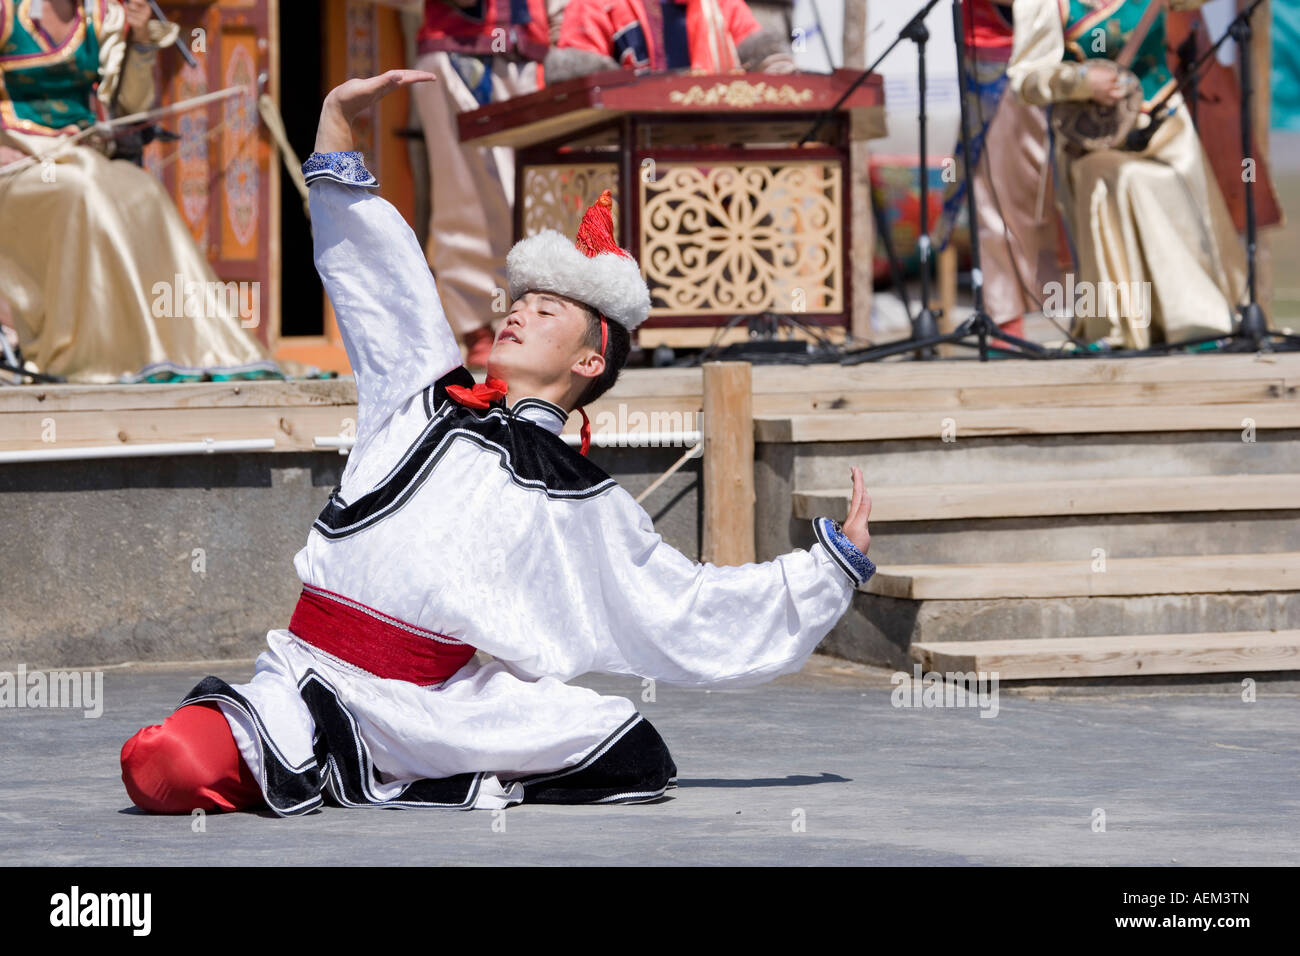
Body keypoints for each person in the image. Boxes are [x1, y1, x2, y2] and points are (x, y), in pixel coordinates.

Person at [118, 70, 877, 815]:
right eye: (520, 301)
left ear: (589, 360)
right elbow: (383, 286)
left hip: (431, 708)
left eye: (547, 310)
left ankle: (429, 767)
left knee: (627, 744)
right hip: (306, 670)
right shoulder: (422, 391)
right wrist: (338, 130)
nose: (517, 314)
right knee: (160, 765)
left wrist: (827, 569)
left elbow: (682, 607)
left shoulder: (583, 497)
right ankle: (328, 757)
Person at [0, 0, 281, 383]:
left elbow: (132, 104)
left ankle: (187, 350)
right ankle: (91, 355)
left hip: (82, 155)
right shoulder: (7, 14)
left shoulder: (100, 17)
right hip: (17, 166)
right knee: (82, 190)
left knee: (144, 192)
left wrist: (141, 43)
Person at [1006, 0, 1247, 349]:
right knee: (1113, 180)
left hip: (1164, 127)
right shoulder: (1047, 4)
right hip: (1092, 142)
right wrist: (1081, 80)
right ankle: (1119, 329)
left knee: (1178, 201)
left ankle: (1205, 324)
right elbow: (1024, 80)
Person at [409, 0, 551, 371]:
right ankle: (476, 327)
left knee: (543, 194)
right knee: (464, 198)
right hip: (458, 52)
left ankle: (541, 323)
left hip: (535, 54)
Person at [934, 0, 1063, 342]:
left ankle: (1092, 314)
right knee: (996, 198)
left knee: (1071, 192)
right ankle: (1007, 319)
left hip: (1075, 50)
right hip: (1001, 56)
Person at [546, 0, 797, 82]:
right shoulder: (595, 4)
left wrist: (779, 71)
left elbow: (768, 59)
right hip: (625, 172)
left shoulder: (719, 4)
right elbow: (579, 88)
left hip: (713, 179)